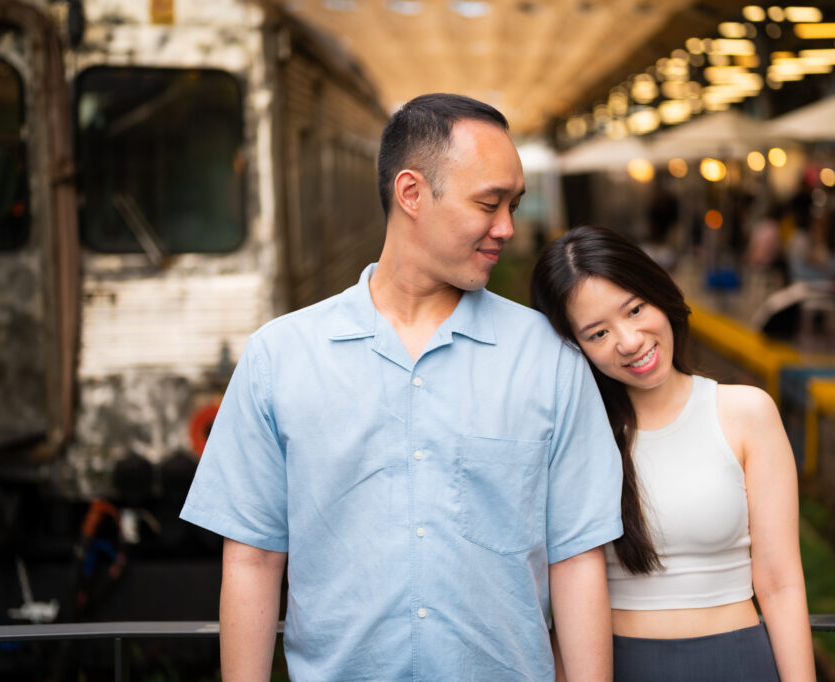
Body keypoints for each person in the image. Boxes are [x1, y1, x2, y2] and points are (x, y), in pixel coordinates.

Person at [181, 95, 623, 681]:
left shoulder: (549, 360)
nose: (507, 229)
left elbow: (576, 559)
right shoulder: (280, 358)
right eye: (488, 203)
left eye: (512, 205)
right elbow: (253, 559)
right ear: (410, 193)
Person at [531, 226, 816, 682]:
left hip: (735, 663)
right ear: (574, 346)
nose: (629, 340)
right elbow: (557, 595)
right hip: (614, 666)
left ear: (659, 292)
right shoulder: (571, 437)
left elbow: (780, 585)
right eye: (598, 332)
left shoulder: (745, 412)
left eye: (635, 309)